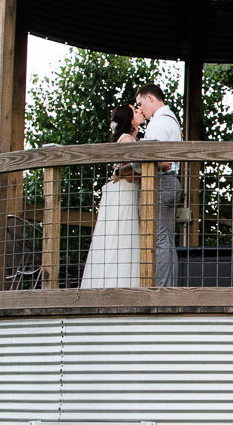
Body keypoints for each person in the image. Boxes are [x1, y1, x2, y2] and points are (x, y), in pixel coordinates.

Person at [79, 100, 144, 288]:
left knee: (122, 239)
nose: (138, 111)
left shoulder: (130, 139)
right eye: (134, 110)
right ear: (129, 120)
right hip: (125, 192)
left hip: (128, 191)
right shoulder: (126, 139)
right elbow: (126, 169)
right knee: (122, 238)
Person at [133, 83, 184, 288]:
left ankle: (162, 288)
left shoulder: (158, 123)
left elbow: (148, 159)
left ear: (151, 99)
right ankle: (168, 285)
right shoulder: (171, 119)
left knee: (159, 241)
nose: (140, 110)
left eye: (141, 103)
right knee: (167, 241)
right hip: (172, 182)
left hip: (161, 183)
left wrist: (134, 160)